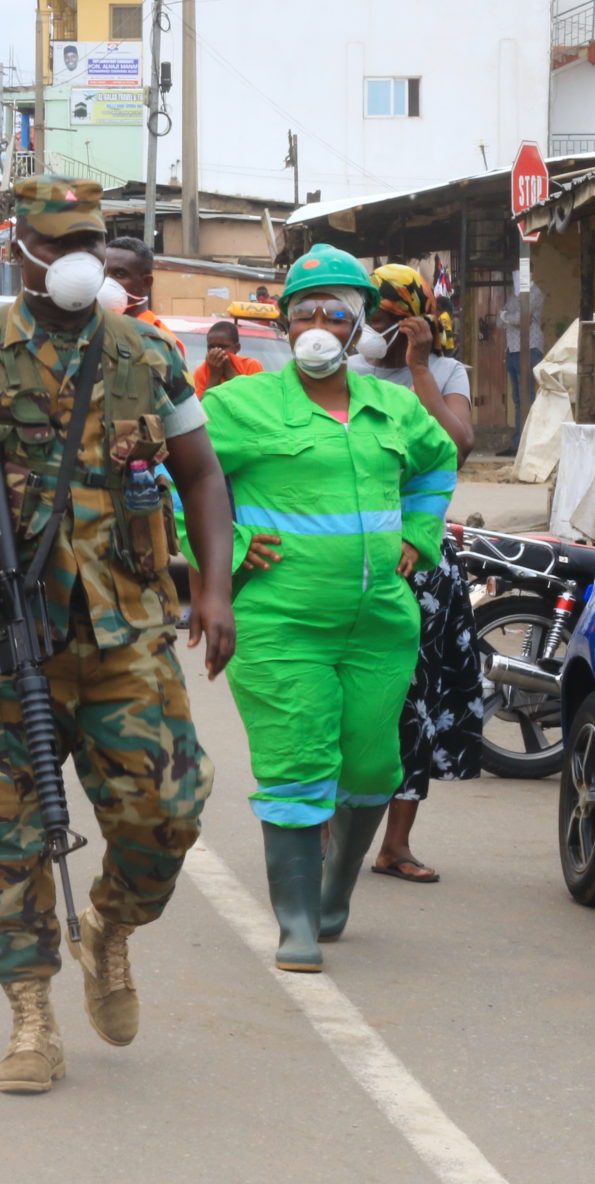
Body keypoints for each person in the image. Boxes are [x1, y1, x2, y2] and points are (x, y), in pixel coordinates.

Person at [0, 175, 236, 1094]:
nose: (80, 257)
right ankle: (30, 1014)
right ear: (21, 249)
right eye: (62, 241)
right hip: (7, 631)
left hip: (125, 628)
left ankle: (107, 926)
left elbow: (202, 475)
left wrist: (216, 588)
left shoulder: (146, 354)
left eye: (94, 239)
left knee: (168, 815)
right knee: (6, 830)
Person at [197, 243, 457, 974]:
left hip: (380, 619)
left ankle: (336, 892)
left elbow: (440, 460)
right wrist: (231, 544)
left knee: (374, 768)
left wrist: (418, 533)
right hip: (282, 621)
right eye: (302, 311)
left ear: (360, 326)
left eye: (333, 310)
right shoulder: (237, 404)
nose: (316, 321)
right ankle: (298, 923)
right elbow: (180, 480)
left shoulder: (394, 405)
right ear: (284, 327)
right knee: (299, 761)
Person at [350, 263, 480, 885]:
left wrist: (421, 367)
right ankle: (327, 840)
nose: (375, 330)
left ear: (415, 320)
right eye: (368, 317)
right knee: (346, 700)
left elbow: (456, 446)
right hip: (351, 555)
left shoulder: (447, 373)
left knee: (418, 703)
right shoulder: (345, 373)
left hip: (421, 561)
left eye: (387, 318)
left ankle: (394, 845)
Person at [497, 279, 545, 454]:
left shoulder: (536, 293)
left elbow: (520, 318)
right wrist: (507, 316)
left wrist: (506, 315)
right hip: (512, 349)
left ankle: (529, 444)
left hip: (529, 348)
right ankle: (518, 443)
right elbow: (498, 320)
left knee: (528, 396)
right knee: (518, 399)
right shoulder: (515, 294)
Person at [101, 236, 173, 333]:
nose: (106, 281)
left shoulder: (158, 341)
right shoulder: (97, 331)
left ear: (146, 283)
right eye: (103, 273)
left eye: (119, 274)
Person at [193, 319, 262, 394]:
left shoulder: (251, 365)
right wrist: (214, 376)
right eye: (211, 347)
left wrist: (229, 370)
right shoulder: (201, 372)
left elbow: (251, 397)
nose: (216, 351)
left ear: (237, 348)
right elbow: (202, 404)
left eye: (222, 347)